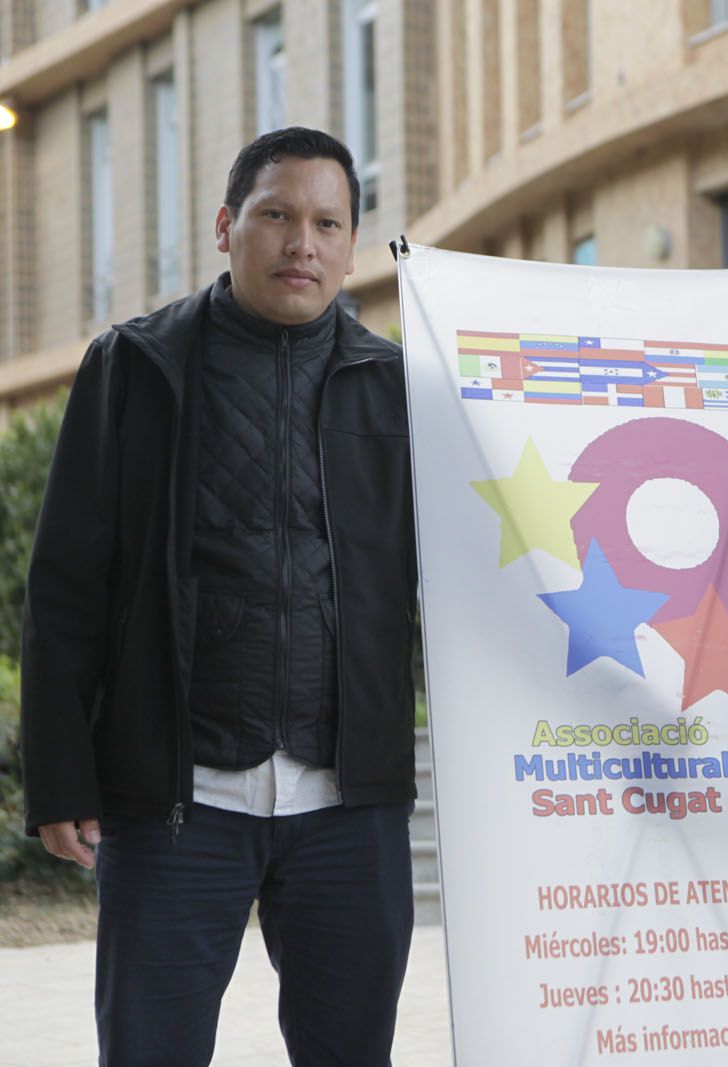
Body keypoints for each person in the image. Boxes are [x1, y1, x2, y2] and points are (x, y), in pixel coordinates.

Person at [21, 127, 418, 1066]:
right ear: (225, 225)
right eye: (276, 216)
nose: (301, 244)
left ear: (352, 244)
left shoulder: (396, 389)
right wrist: (64, 778)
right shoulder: (134, 367)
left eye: (327, 223)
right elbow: (67, 586)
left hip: (347, 809)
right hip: (175, 804)